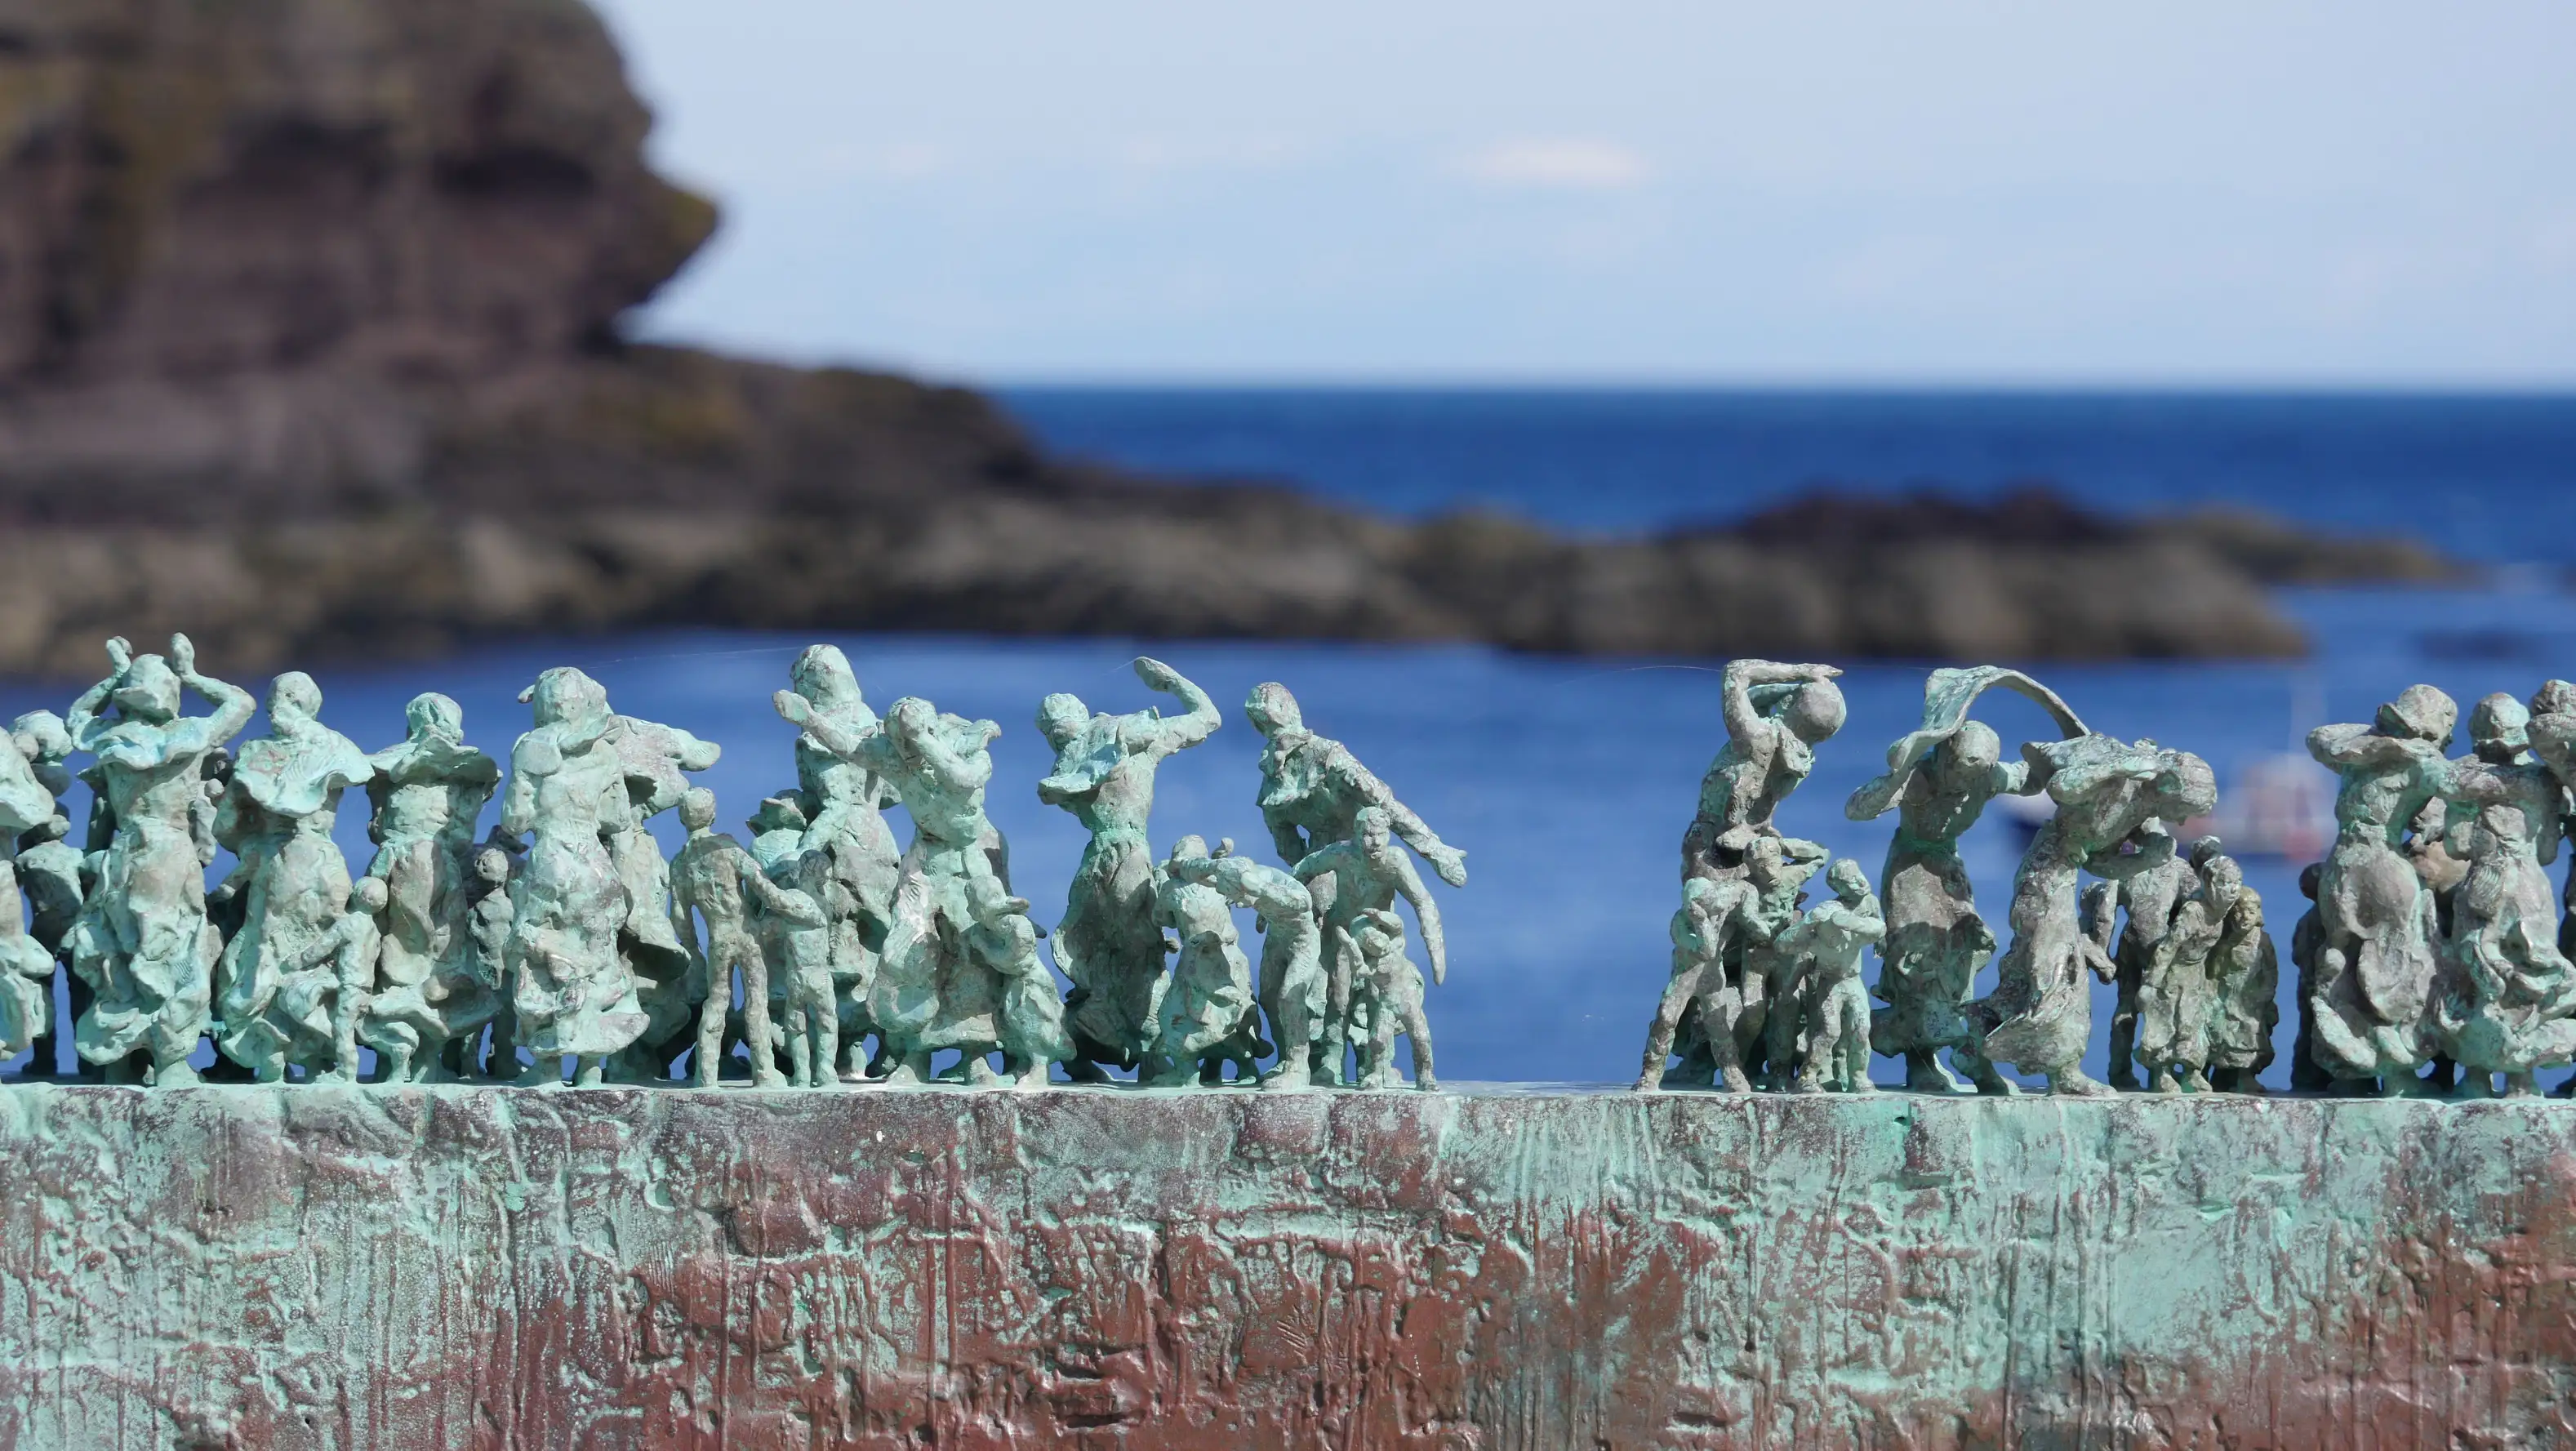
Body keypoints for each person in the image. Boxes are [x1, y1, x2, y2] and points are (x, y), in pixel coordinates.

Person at [63, 635, 256, 1084]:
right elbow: (241, 703)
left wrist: (109, 679)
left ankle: (118, 1061)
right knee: (173, 946)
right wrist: (193, 674)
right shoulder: (190, 734)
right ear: (169, 694)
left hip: (125, 851)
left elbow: (76, 719)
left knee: (119, 947)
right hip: (170, 851)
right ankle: (171, 1061)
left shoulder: (111, 739)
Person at [1035, 657, 1220, 1078]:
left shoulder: (1129, 737)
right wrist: (1173, 684)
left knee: (1134, 953)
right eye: (1050, 731)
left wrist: (1171, 680)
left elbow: (1208, 719)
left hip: (1121, 857)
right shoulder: (1079, 756)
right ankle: (1107, 1046)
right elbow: (1207, 717)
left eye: (1056, 725)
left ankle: (1146, 1051)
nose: (1056, 736)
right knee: (1107, 953)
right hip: (1108, 860)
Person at [1248, 681, 1466, 888]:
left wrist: (1435, 851)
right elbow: (1287, 848)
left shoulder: (1325, 759)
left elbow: (1384, 804)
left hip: (1364, 853)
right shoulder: (1274, 785)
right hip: (1329, 862)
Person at [1293, 806, 1448, 1086]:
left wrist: (1435, 949)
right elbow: (1307, 867)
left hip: (1377, 940)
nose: (1374, 842)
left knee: (1379, 1000)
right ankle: (1331, 1061)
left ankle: (1378, 1066)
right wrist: (1282, 905)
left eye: (1380, 835)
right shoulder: (1341, 854)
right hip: (1343, 935)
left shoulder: (1395, 861)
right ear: (1356, 834)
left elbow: (1423, 901)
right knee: (1337, 998)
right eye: (1367, 835)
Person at [670, 786, 811, 1088]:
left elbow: (680, 917)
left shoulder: (680, 863)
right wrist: (796, 909)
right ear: (713, 814)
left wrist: (693, 952)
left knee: (716, 1003)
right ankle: (764, 1072)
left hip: (717, 939)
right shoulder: (728, 848)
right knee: (756, 1002)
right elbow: (763, 887)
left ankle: (705, 1075)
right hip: (747, 934)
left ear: (683, 819)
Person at [1163, 846, 1324, 1092]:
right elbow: (1201, 870)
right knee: (1269, 999)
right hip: (1276, 940)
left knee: (1289, 998)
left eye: (1238, 896)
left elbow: (1299, 904)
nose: (1237, 902)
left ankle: (1298, 1067)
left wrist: (1260, 891)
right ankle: (1284, 1058)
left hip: (1303, 942)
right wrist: (1185, 864)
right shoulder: (1240, 877)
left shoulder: (1286, 892)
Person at [1684, 660, 1844, 885]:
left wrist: (1798, 674)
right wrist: (1803, 694)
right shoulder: (1803, 759)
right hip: (1755, 844)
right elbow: (1756, 700)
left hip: (1712, 845)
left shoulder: (1756, 737)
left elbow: (1736, 672)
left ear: (1788, 702)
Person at [1772, 860, 1883, 1094]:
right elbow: (1782, 944)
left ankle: (1859, 1076)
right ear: (1839, 888)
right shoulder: (1825, 915)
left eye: (1859, 875)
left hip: (1853, 980)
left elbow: (1879, 928)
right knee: (1830, 1030)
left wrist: (1852, 923)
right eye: (1850, 881)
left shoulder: (1868, 902)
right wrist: (1809, 922)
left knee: (1862, 1028)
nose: (1860, 882)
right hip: (1830, 982)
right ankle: (1807, 1075)